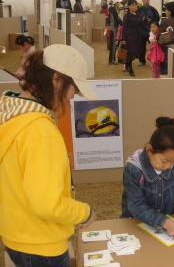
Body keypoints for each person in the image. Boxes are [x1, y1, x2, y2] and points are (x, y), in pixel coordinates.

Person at [0, 44, 98, 267]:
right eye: (74, 89)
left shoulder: (10, 112)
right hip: (41, 246)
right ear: (56, 80)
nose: (71, 98)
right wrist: (84, 212)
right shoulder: (41, 132)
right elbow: (47, 204)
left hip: (17, 235)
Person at [121, 116, 174, 237]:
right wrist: (165, 222)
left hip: (167, 223)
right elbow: (136, 206)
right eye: (164, 161)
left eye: (173, 162)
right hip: (136, 223)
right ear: (149, 149)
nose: (168, 166)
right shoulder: (133, 169)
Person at [121, 0, 149, 77]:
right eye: (133, 5)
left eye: (135, 5)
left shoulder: (138, 14)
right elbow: (124, 28)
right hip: (129, 37)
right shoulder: (127, 16)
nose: (134, 7)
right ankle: (130, 69)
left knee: (136, 54)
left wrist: (150, 30)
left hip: (137, 36)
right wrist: (124, 39)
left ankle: (126, 63)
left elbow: (142, 25)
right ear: (129, 6)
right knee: (131, 54)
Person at [158, 2, 174, 75]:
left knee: (165, 68)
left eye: (166, 10)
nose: (165, 11)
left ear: (170, 12)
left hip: (167, 46)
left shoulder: (166, 21)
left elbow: (159, 33)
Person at [137, 0, 160, 66]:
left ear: (149, 0)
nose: (146, 1)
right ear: (142, 0)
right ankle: (142, 61)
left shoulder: (153, 10)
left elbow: (157, 19)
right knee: (141, 48)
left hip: (151, 32)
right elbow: (136, 19)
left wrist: (151, 20)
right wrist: (142, 19)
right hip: (141, 31)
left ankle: (153, 59)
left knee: (153, 47)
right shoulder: (139, 10)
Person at [106, 0, 121, 65]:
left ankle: (112, 60)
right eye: (118, 3)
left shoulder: (111, 10)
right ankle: (111, 60)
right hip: (114, 29)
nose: (119, 4)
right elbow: (116, 21)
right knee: (113, 45)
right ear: (115, 4)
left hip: (111, 29)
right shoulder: (114, 11)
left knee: (113, 45)